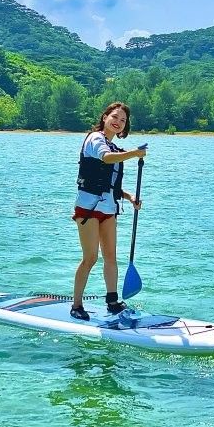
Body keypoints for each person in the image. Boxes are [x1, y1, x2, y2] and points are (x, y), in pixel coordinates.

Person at [70, 102, 146, 321]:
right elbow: (105, 158)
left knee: (111, 257)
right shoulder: (95, 139)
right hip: (88, 209)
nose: (118, 122)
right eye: (115, 116)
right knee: (90, 258)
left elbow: (109, 183)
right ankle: (76, 305)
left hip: (108, 208)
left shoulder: (114, 148)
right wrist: (134, 154)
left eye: (123, 120)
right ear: (104, 117)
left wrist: (130, 197)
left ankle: (112, 301)